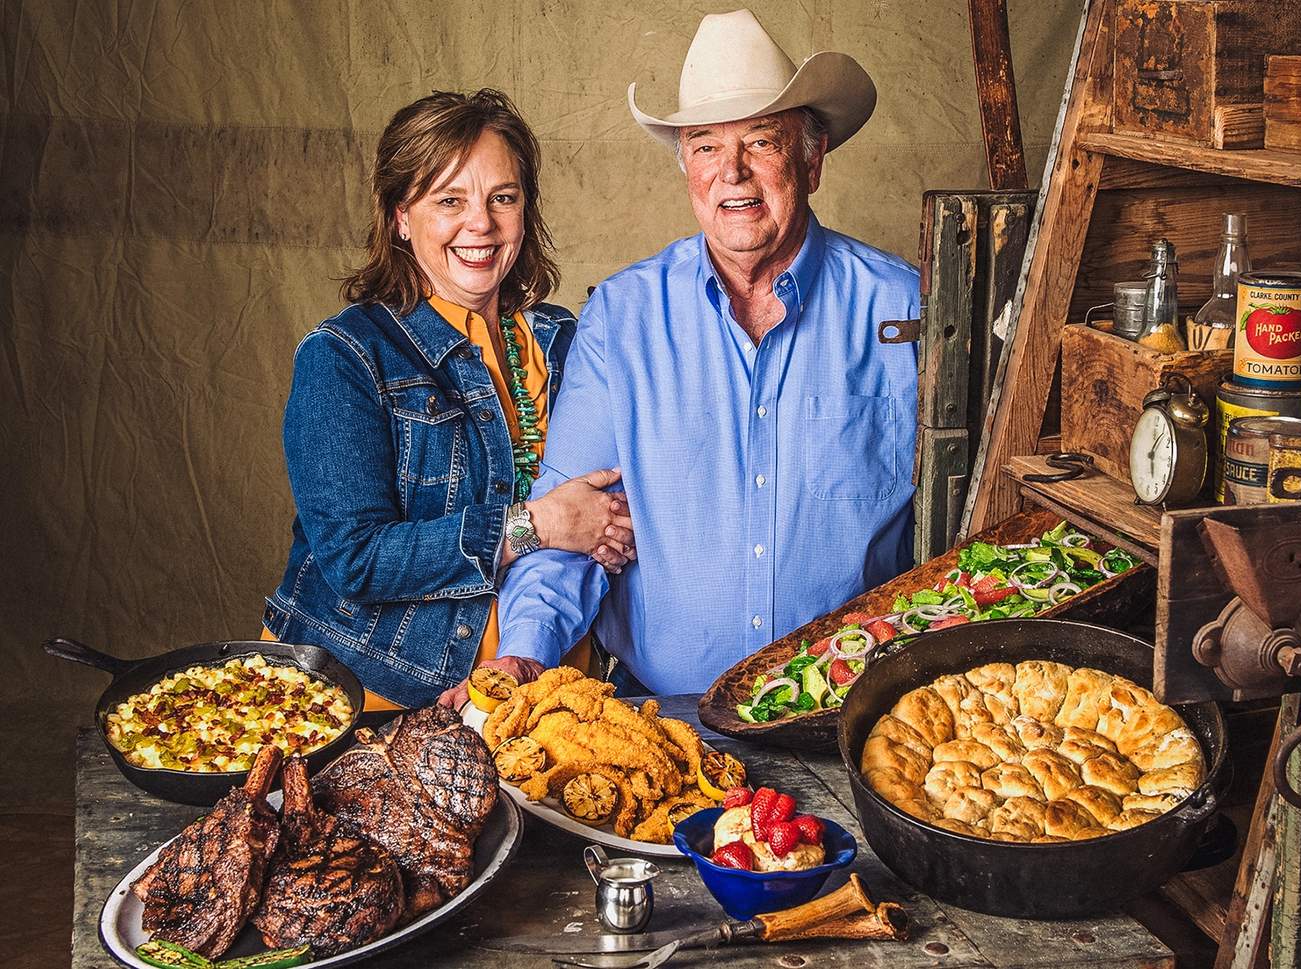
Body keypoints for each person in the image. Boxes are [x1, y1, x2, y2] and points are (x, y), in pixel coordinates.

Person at [480, 10, 920, 697]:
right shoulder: (622, 318)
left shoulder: (907, 311)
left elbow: (964, 529)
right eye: (707, 146)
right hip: (663, 721)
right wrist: (525, 654)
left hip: (857, 723)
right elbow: (574, 526)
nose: (732, 173)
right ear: (685, 163)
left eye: (760, 141)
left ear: (811, 159)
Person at [263, 89, 634, 710]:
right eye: (449, 200)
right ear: (401, 217)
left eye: (503, 198)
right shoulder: (344, 357)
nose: (481, 224)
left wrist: (611, 527)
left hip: (552, 686)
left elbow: (613, 496)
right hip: (382, 693)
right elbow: (356, 559)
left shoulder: (567, 339)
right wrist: (538, 526)